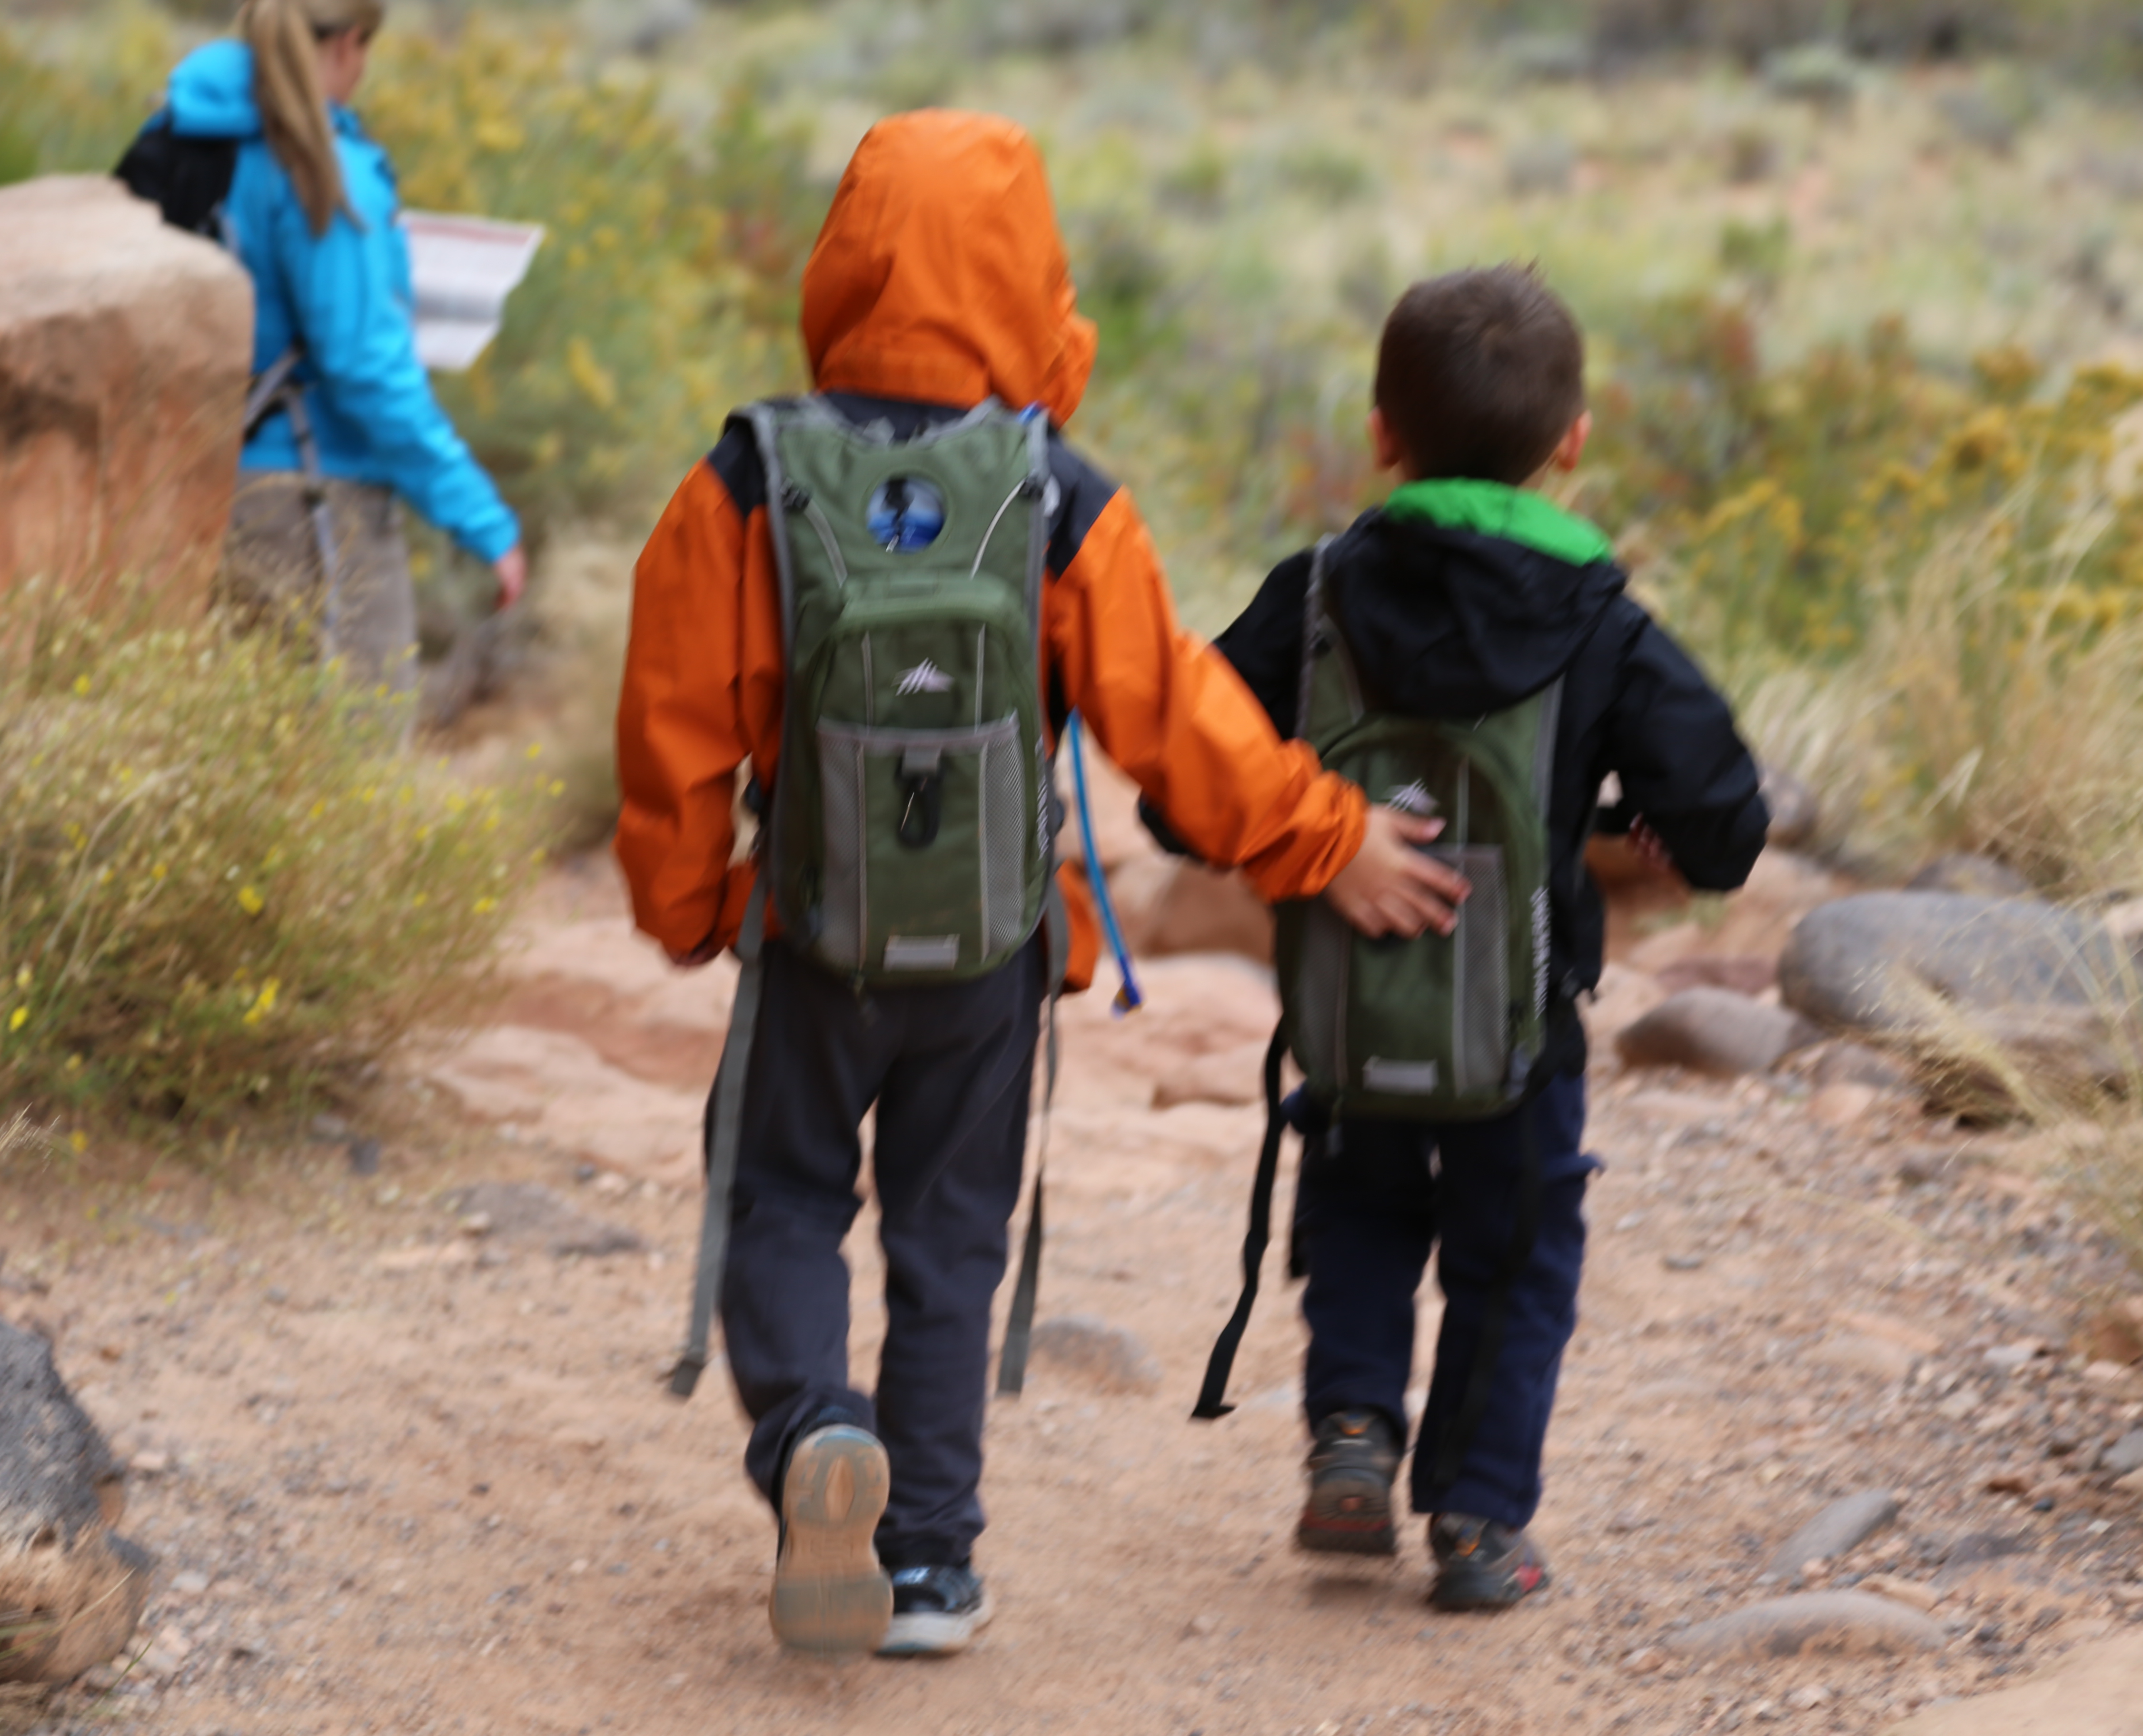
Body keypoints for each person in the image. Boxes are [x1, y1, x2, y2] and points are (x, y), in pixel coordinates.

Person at [613, 110, 1468, 1659]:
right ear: (1029, 275)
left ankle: (815, 1430)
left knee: (781, 1196)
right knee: (951, 1237)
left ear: (844, 262)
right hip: (992, 954)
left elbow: (673, 726)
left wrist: (689, 905)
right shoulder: (1058, 493)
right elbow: (1182, 727)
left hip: (811, 936)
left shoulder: (742, 480)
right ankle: (931, 1561)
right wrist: (1330, 838)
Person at [1190, 265, 1769, 1610]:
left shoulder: (1318, 593)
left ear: (1384, 431)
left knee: (1361, 1206)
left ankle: (1351, 1434)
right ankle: (1478, 1520)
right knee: (1515, 1254)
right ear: (1571, 444)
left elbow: (1186, 771)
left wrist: (1313, 829)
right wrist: (1641, 825)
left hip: (1346, 1018)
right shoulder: (1606, 628)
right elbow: (1729, 830)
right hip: (1519, 1025)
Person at [154, 0, 525, 716]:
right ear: (351, 44)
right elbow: (366, 369)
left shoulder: (183, 132)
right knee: (357, 759)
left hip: (191, 480)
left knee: (239, 753)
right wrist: (484, 521)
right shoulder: (323, 169)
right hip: (313, 502)